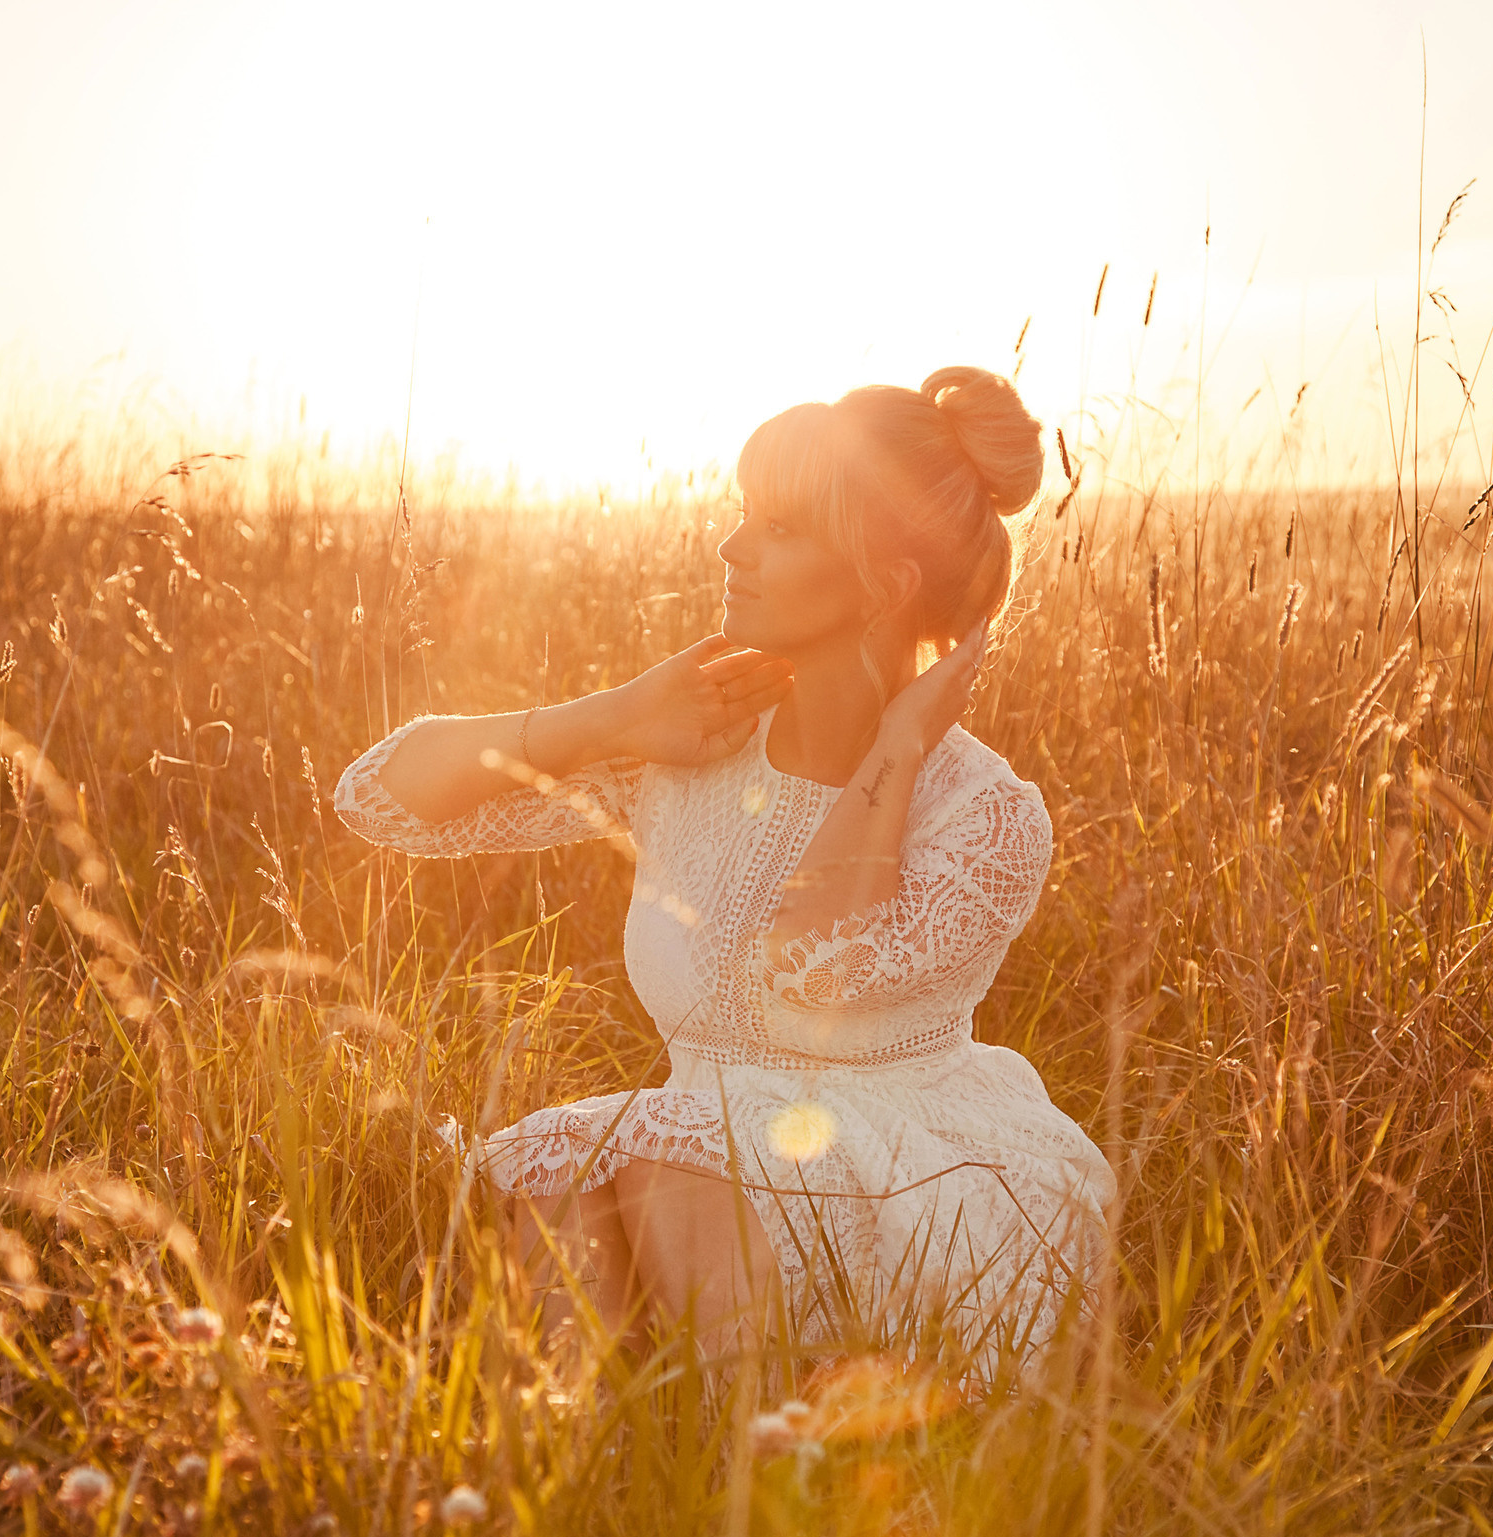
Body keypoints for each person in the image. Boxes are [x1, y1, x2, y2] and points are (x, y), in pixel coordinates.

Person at [331, 366, 1115, 1368]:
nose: (729, 546)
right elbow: (379, 795)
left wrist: (898, 747)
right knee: (561, 1178)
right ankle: (577, 1470)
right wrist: (613, 716)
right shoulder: (695, 747)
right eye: (745, 515)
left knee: (666, 1163)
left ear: (887, 580)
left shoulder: (986, 816)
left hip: (912, 1186)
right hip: (692, 1159)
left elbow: (805, 971)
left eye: (780, 529)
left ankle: (744, 1466)